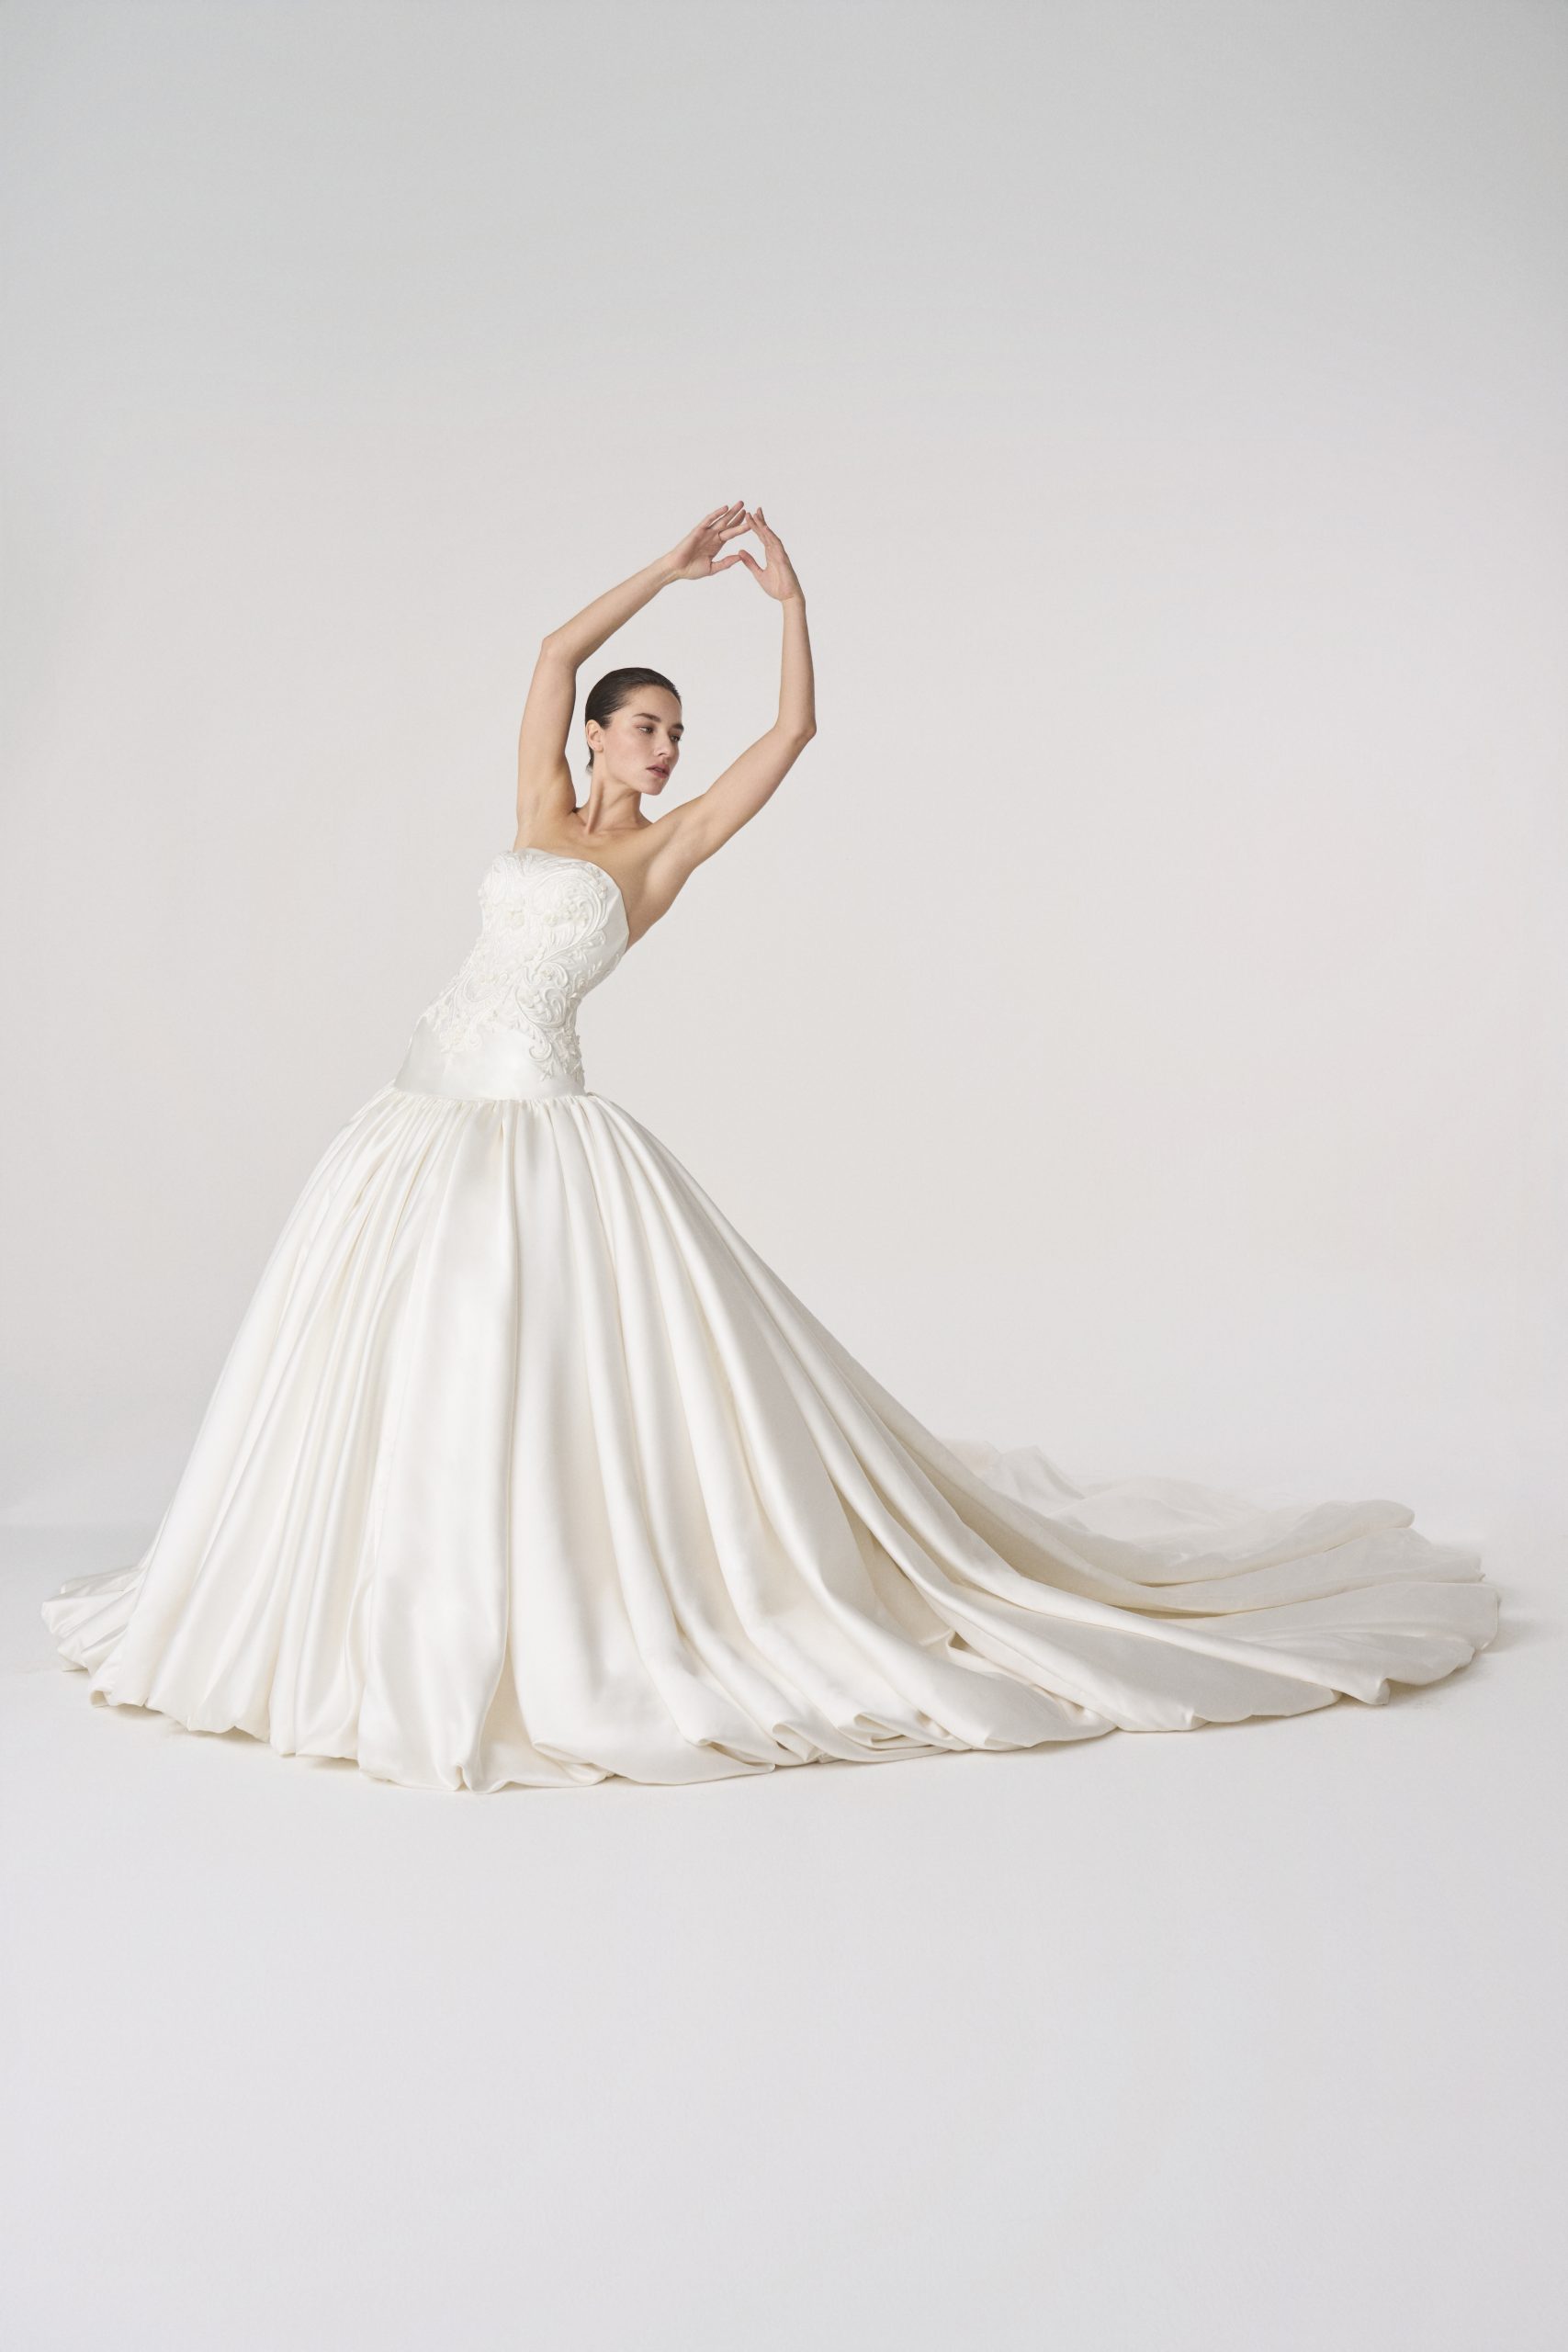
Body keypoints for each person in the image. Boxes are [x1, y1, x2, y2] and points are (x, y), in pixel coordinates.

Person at [41, 503, 1501, 1792]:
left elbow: (793, 737)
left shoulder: (658, 854)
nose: (667, 747)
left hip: (537, 1124)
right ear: (597, 737)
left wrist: (791, 606)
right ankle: (387, 1592)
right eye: (648, 726)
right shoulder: (539, 810)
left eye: (676, 732)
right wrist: (669, 571)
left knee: (520, 1355)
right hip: (417, 1110)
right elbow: (551, 651)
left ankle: (547, 1603)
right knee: (397, 1353)